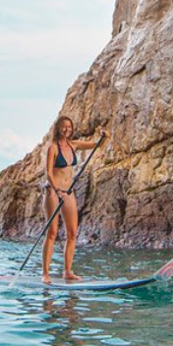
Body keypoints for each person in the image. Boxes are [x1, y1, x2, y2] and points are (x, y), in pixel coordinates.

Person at [42, 116, 110, 283]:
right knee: (52, 233)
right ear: (58, 128)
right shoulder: (53, 148)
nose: (67, 130)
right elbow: (48, 173)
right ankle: (45, 273)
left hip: (69, 192)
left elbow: (97, 145)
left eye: (69, 127)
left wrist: (105, 136)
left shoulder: (74, 145)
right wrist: (57, 190)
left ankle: (67, 271)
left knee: (72, 233)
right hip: (53, 191)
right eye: (64, 127)